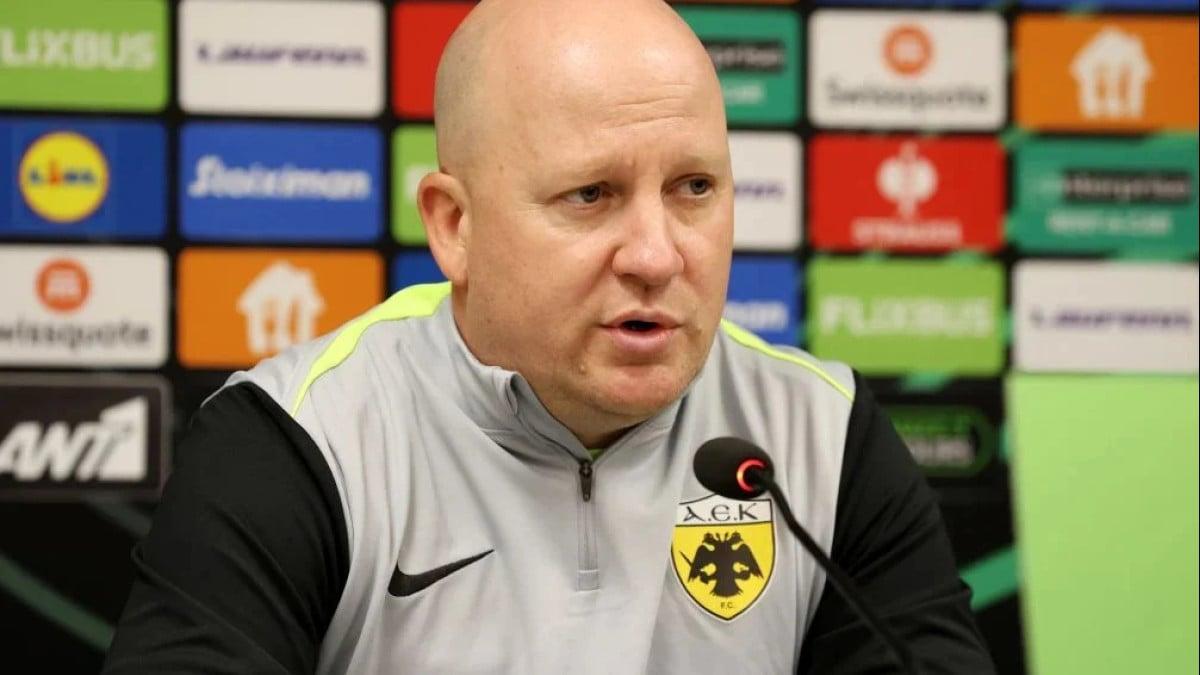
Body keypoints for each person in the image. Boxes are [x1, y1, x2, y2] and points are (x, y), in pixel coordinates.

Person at [104, 0, 995, 672]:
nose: (657, 255)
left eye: (693, 188)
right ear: (455, 226)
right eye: (590, 195)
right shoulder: (304, 441)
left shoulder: (820, 436)